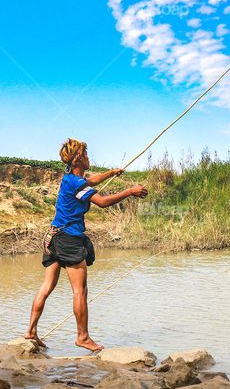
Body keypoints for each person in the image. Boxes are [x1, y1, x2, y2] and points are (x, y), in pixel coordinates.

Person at [25, 139, 148, 352]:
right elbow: (101, 202)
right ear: (79, 158)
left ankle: (31, 332)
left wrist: (111, 173)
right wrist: (130, 191)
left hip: (52, 237)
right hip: (69, 239)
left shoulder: (71, 179)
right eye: (87, 154)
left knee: (46, 288)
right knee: (80, 291)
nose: (89, 157)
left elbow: (90, 181)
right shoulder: (76, 183)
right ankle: (82, 337)